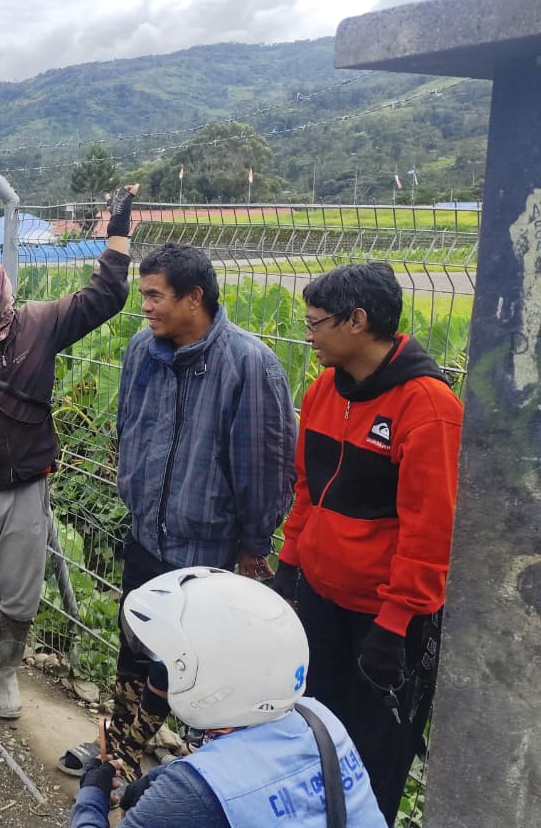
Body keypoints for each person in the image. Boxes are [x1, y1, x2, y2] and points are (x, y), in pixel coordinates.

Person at [0, 186, 136, 719]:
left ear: (1, 288)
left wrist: (118, 238)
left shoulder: (41, 324)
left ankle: (6, 673)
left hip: (26, 486)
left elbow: (103, 298)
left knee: (19, 591)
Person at [85, 242, 297, 773]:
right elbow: (127, 425)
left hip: (206, 553)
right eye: (144, 295)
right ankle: (123, 754)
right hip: (146, 534)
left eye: (156, 296)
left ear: (193, 298)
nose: (146, 307)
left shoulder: (249, 364)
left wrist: (254, 542)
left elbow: (265, 465)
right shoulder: (142, 350)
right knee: (135, 644)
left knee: (198, 666)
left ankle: (202, 773)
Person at [271, 262, 462, 826]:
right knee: (313, 730)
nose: (308, 334)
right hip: (323, 600)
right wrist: (290, 567)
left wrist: (396, 622)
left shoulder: (428, 408)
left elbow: (431, 532)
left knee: (375, 755)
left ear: (357, 322)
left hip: (384, 621)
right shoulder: (324, 389)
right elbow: (307, 491)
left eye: (316, 323)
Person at [71, 567, 387, 828]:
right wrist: (164, 779)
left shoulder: (192, 792)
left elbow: (205, 792)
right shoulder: (320, 720)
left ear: (215, 680)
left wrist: (92, 794)